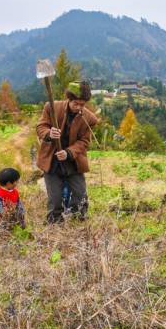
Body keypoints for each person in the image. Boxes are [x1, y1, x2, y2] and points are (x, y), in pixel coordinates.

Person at [36, 81, 98, 223]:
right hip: (52, 161)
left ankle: (79, 221)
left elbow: (84, 142)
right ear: (69, 100)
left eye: (82, 104)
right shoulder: (51, 107)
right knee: (55, 199)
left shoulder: (89, 119)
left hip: (73, 162)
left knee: (80, 196)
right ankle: (54, 225)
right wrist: (49, 133)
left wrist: (69, 152)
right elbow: (40, 127)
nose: (79, 107)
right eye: (76, 103)